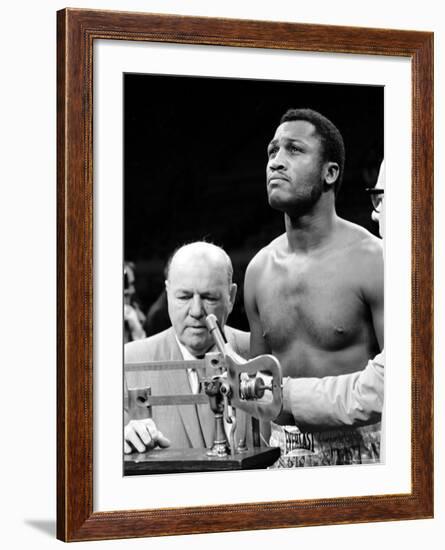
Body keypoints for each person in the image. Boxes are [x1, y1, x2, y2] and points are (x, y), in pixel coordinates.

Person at [244, 109, 384, 466]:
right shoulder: (259, 270)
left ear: (330, 172)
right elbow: (259, 392)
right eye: (272, 151)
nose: (276, 161)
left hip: (365, 454)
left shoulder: (373, 259)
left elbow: (402, 381)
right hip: (279, 455)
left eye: (293, 150)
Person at [281, 160, 385, 430]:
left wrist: (287, 394)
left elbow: (386, 386)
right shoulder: (260, 268)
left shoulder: (376, 261)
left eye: (382, 197)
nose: (375, 213)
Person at [124, 241, 249, 454]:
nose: (197, 311)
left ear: (232, 297)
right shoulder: (128, 362)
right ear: (167, 293)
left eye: (209, 297)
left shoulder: (259, 354)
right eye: (184, 297)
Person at [123, 261, 146, 343]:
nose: (132, 290)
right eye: (127, 285)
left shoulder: (134, 307)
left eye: (132, 284)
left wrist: (136, 327)